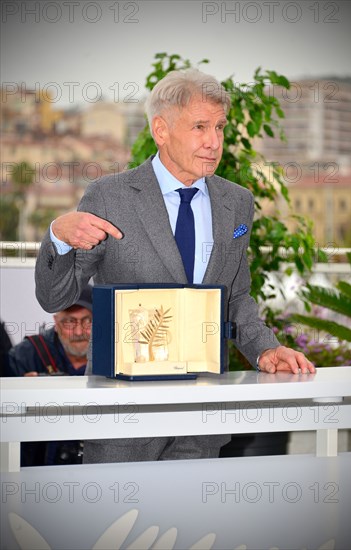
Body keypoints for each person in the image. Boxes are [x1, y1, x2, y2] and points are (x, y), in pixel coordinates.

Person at [35, 69, 315, 463]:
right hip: (123, 417)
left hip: (202, 416)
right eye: (200, 127)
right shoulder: (109, 196)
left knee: (195, 524)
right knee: (115, 526)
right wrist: (58, 236)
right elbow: (54, 296)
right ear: (161, 130)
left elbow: (234, 298)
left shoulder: (237, 202)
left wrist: (266, 349)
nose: (214, 142)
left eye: (219, 127)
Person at [7, 285, 92, 465]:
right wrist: (19, 395)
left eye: (87, 321)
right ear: (56, 321)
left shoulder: (118, 358)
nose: (78, 332)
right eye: (69, 322)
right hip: (40, 468)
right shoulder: (26, 356)